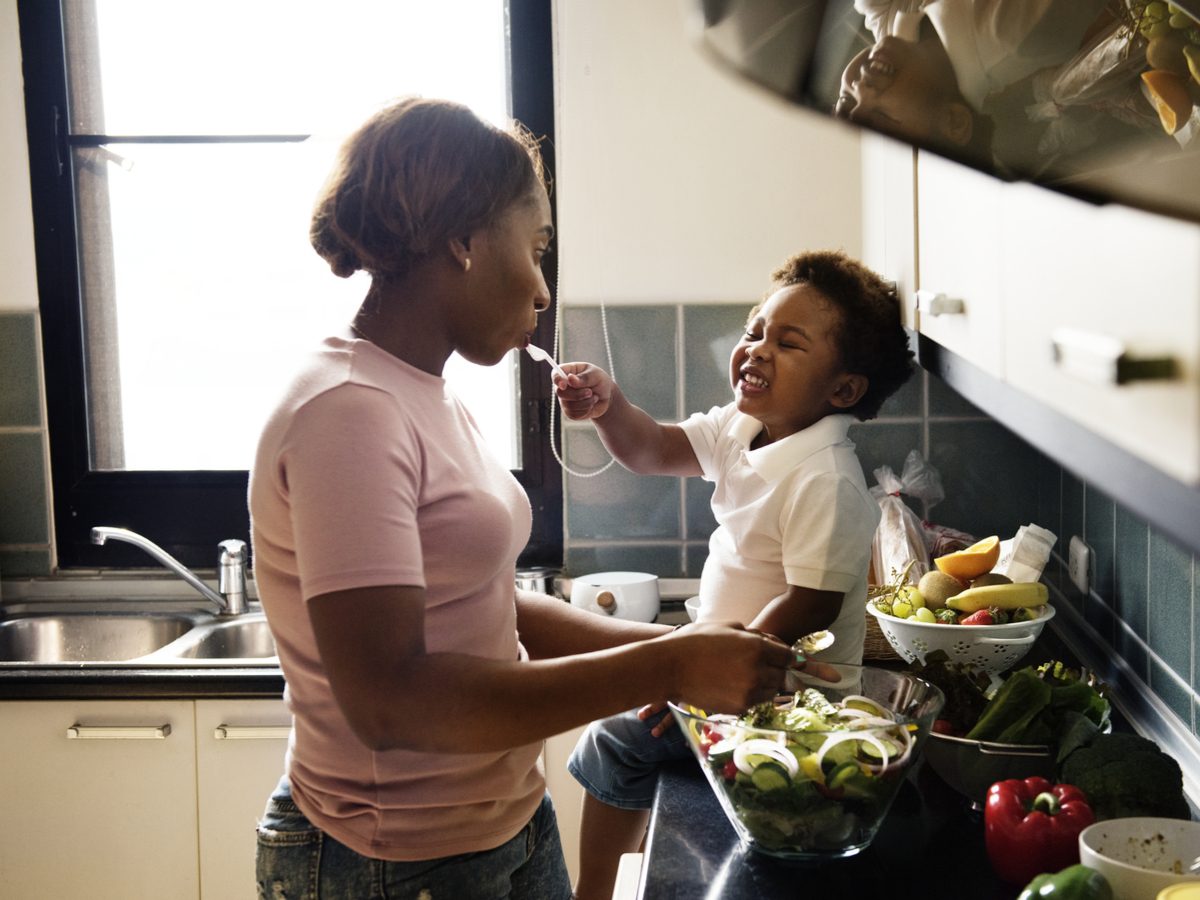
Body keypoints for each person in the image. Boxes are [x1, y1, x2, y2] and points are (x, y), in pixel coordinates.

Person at [247, 96, 793, 900]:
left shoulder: (423, 391)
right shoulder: (348, 412)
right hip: (392, 861)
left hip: (501, 822)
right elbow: (392, 701)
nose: (541, 289)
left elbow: (483, 605)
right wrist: (669, 662)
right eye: (535, 248)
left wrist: (672, 651)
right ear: (463, 240)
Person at [554, 249, 914, 900]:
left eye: (788, 342)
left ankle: (592, 893)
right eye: (755, 331)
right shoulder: (743, 426)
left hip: (782, 701)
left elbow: (810, 605)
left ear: (843, 391)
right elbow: (653, 448)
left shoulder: (825, 479)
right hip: (719, 672)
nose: (757, 350)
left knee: (611, 741)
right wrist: (610, 407)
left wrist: (696, 675)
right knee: (624, 729)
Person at [835, 0, 1112, 168]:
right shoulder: (1008, 34)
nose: (861, 89)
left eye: (846, 101)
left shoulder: (894, 30)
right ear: (954, 121)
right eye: (880, 116)